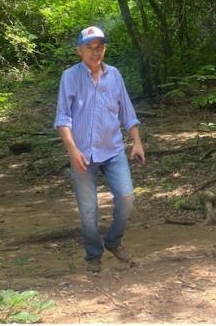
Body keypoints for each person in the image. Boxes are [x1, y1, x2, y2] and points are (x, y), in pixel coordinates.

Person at [54, 26, 146, 273]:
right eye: (90, 48)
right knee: (88, 210)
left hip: (113, 150)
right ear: (79, 51)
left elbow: (128, 113)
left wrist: (136, 141)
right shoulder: (70, 77)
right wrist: (72, 151)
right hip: (82, 153)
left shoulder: (114, 75)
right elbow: (63, 119)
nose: (96, 53)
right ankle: (93, 255)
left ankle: (113, 241)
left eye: (100, 47)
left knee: (126, 198)